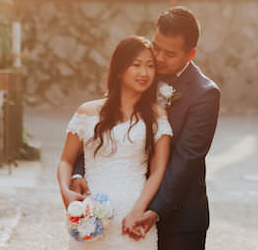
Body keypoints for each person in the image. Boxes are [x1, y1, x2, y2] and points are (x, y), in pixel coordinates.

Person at [73, 7, 221, 250]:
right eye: (156, 47)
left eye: (170, 54)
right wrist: (78, 173)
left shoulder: (205, 94)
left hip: (179, 219)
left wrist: (154, 210)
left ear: (190, 54)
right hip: (125, 209)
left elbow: (186, 159)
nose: (159, 58)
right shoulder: (142, 72)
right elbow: (103, 126)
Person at [58, 36, 173, 248]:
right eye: (136, 65)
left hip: (133, 215)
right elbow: (66, 160)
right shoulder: (87, 112)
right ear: (120, 70)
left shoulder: (157, 116)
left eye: (150, 66)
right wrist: (66, 192)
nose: (144, 73)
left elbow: (158, 170)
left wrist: (139, 210)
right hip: (91, 215)